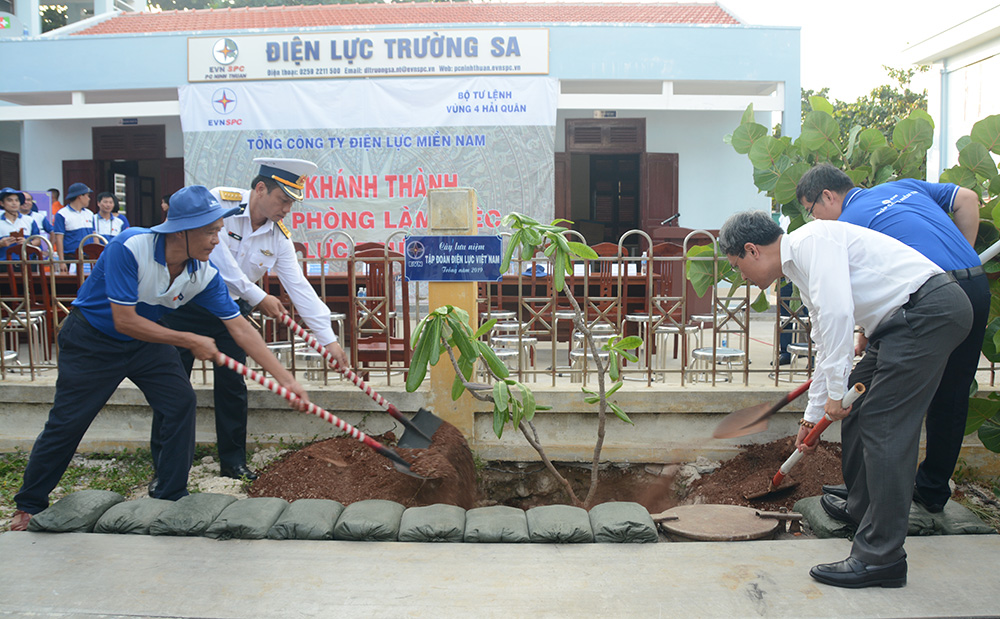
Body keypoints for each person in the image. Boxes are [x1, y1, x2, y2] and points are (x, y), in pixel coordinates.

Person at [9, 185, 311, 532]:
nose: (217, 240)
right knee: (69, 421)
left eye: (218, 230)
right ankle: (29, 504)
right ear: (182, 230)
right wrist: (188, 338)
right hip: (93, 340)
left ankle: (170, 493)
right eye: (211, 231)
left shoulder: (204, 273)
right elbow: (124, 319)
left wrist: (285, 380)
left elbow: (241, 328)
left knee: (180, 401)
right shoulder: (130, 246)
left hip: (146, 342)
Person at [719, 210, 972, 589]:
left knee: (884, 426)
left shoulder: (812, 242)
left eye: (738, 266)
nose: (742, 277)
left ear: (752, 250)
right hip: (896, 325)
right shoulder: (801, 267)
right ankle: (862, 508)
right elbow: (824, 341)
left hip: (926, 312)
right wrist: (812, 416)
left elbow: (838, 315)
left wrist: (835, 395)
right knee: (858, 411)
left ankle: (881, 558)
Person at [797, 163, 989, 514]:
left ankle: (874, 495)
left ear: (828, 196)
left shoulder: (844, 227)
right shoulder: (903, 186)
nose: (815, 221)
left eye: (812, 212)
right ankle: (928, 491)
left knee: (885, 404)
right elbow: (967, 199)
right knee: (953, 394)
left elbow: (845, 296)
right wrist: (963, 257)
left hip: (924, 300)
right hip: (973, 285)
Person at [155, 158, 348, 481]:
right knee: (173, 388)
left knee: (232, 387)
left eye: (291, 203)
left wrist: (328, 340)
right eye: (283, 200)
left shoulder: (278, 237)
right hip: (185, 307)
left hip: (230, 314)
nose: (287, 208)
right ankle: (165, 466)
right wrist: (258, 296)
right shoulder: (218, 202)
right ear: (260, 189)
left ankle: (233, 464)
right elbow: (221, 263)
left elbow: (298, 286)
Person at [52, 182, 95, 270]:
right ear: (80, 196)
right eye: (87, 195)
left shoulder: (89, 214)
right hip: (71, 258)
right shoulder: (62, 214)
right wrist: (61, 261)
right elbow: (59, 238)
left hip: (89, 258)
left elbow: (94, 235)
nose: (89, 199)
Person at [0, 188, 41, 260]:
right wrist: (1, 244)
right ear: (2, 203)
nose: (14, 203)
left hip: (26, 263)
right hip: (3, 264)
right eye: (9, 200)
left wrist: (28, 243)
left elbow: (38, 240)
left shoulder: (29, 220)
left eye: (17, 200)